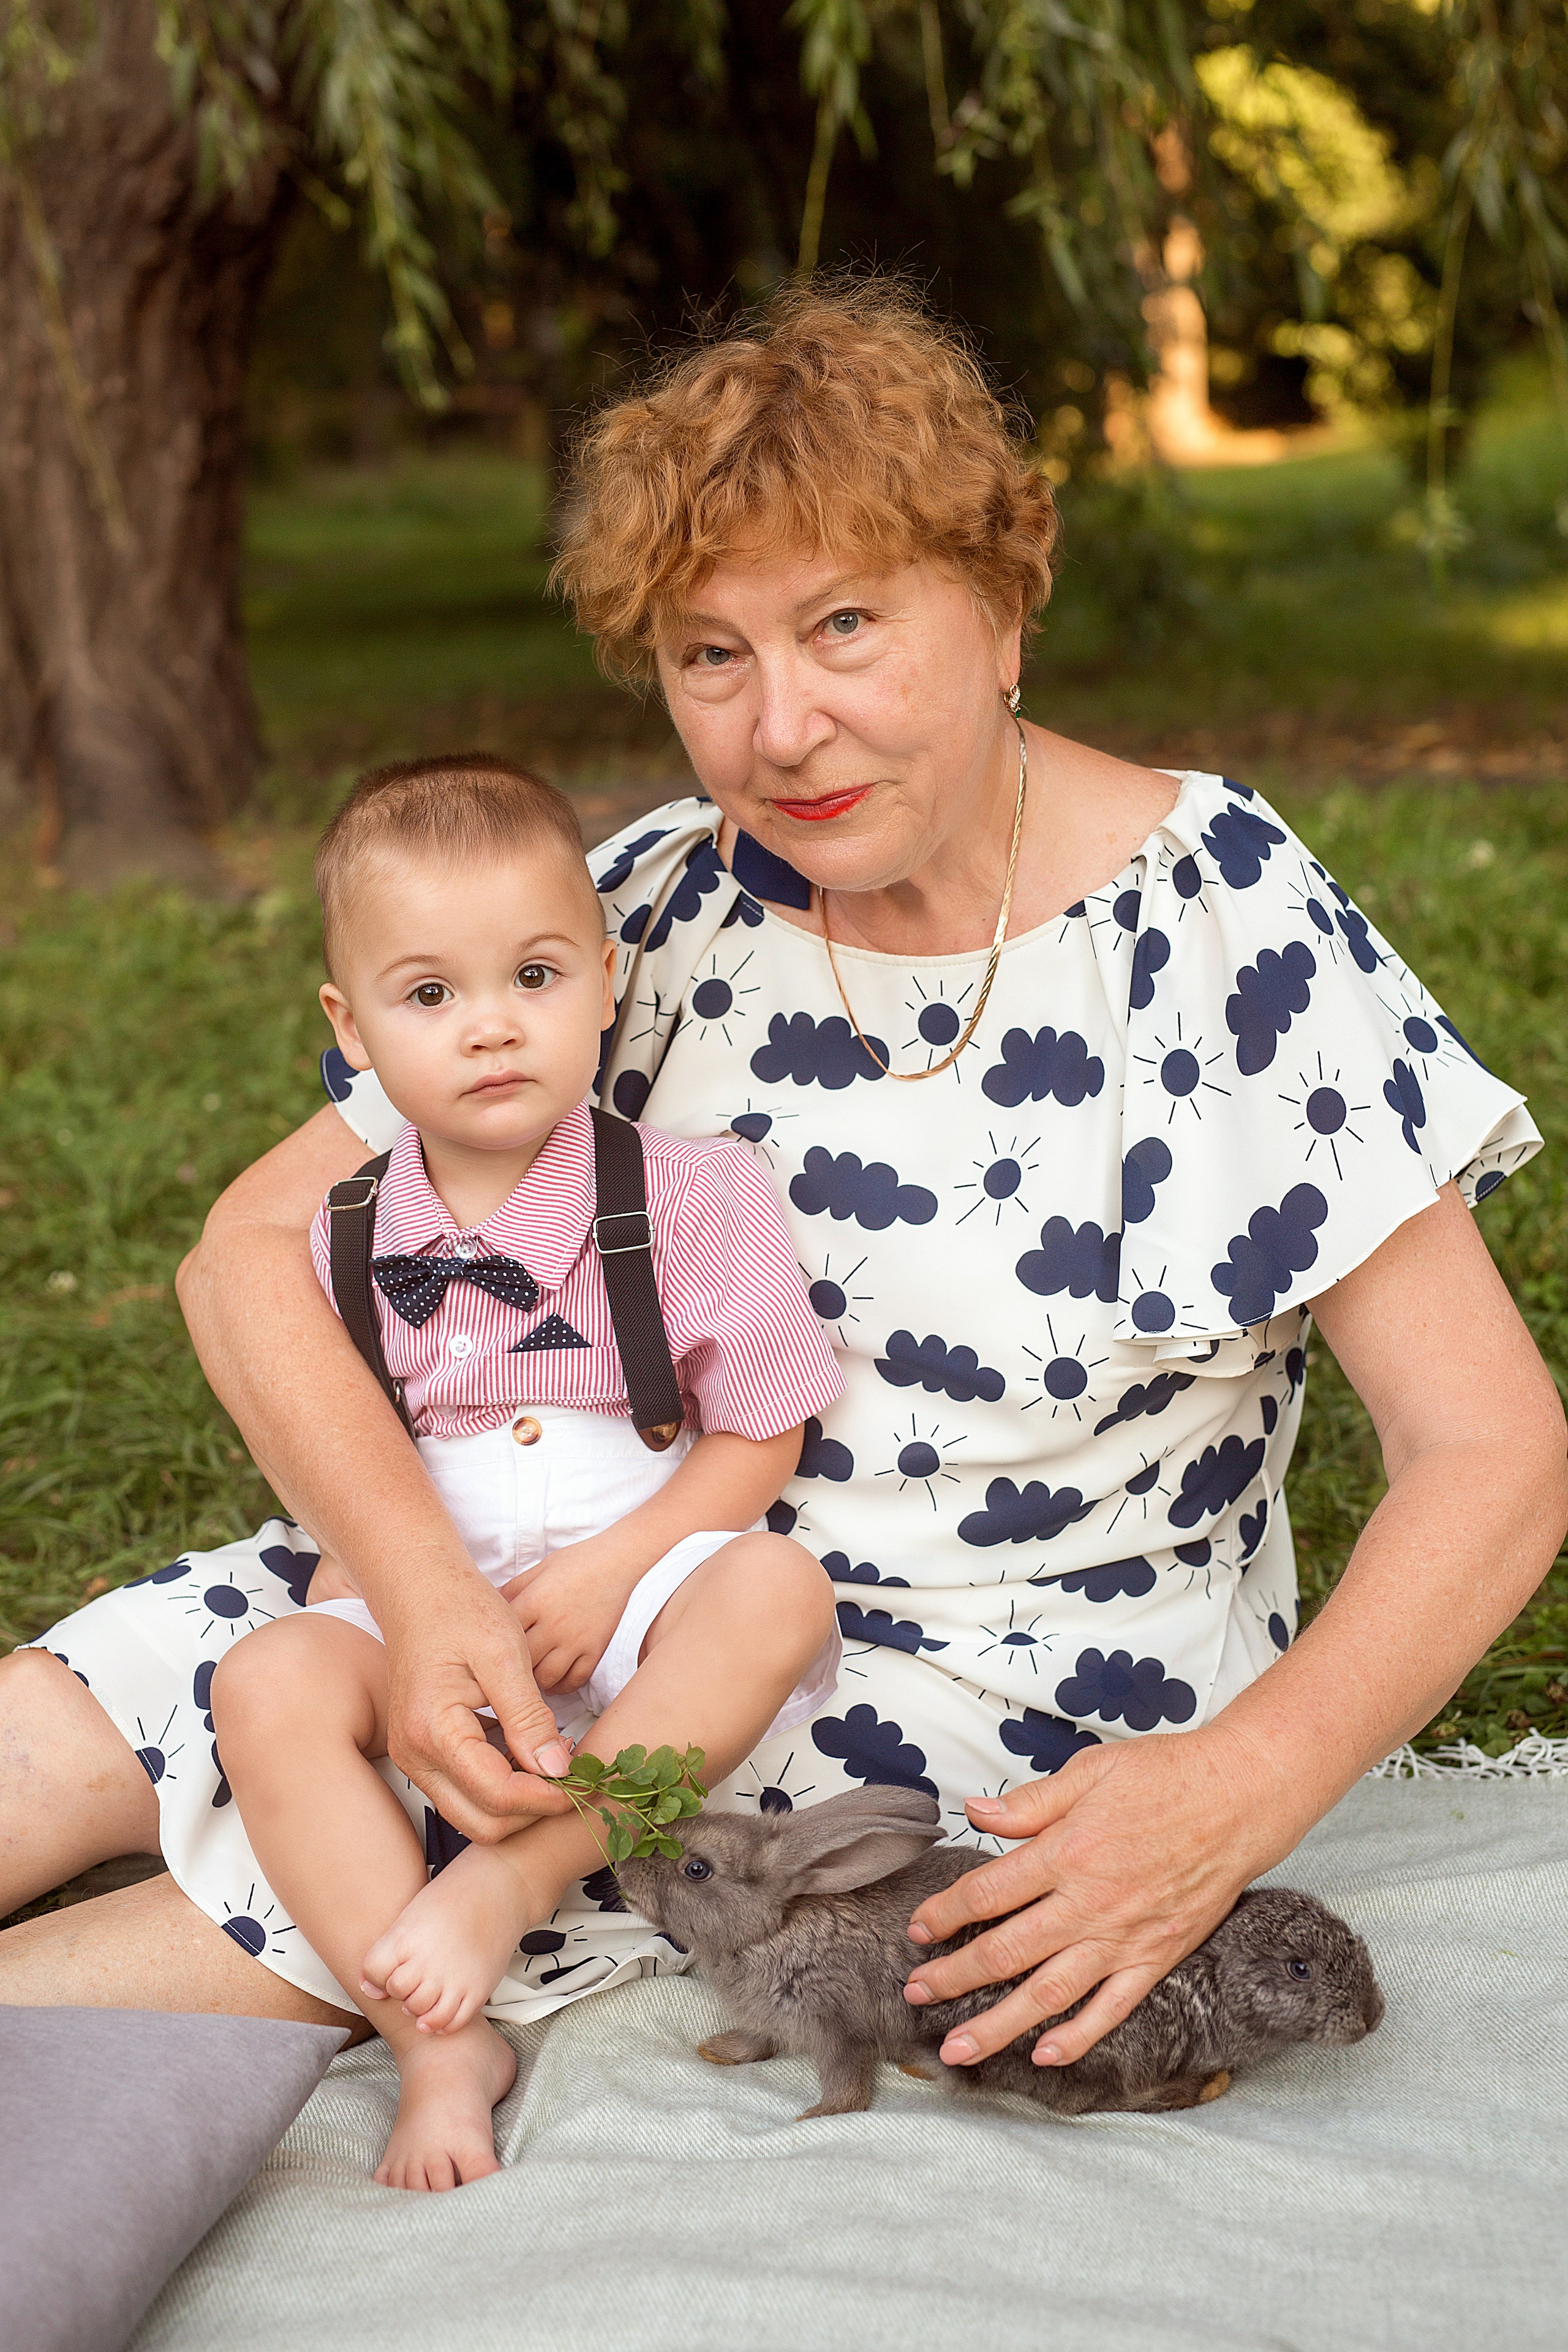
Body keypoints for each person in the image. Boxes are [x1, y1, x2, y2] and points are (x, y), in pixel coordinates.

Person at [4, 281, 1564, 2089]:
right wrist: (422, 1592)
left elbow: (1495, 1451)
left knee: (354, 1880)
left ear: (1003, 606)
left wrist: (1242, 1787)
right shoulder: (652, 903)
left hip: (969, 1670)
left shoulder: (1217, 921)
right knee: (170, 1681)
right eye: (708, 656)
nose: (781, 729)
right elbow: (247, 1253)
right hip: (592, 1557)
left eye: (844, 626)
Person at [203, 754, 840, 2189]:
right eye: (430, 996)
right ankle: (439, 2046)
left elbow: (760, 1431)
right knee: (269, 1682)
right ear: (350, 1029)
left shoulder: (691, 1196)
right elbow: (345, 1456)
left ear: (607, 980)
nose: (490, 1028)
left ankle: (513, 1878)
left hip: (634, 1575)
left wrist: (616, 1572)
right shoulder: (341, 1238)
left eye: (535, 976)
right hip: (437, 1590)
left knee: (774, 1590)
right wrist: (382, 1595)